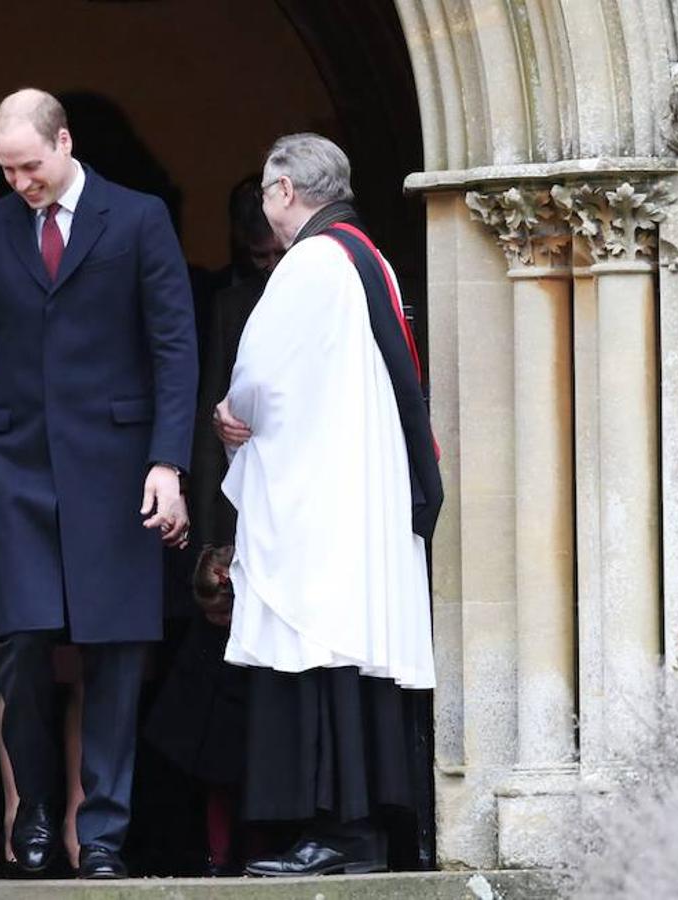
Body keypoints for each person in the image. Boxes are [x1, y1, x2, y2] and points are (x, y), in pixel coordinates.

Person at [0, 88, 197, 879]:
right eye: (7, 170)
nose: (21, 183)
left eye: (31, 166)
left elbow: (173, 348)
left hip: (118, 470)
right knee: (21, 648)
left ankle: (107, 835)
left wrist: (166, 463)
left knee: (115, 656)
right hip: (17, 469)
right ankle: (36, 813)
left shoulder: (140, 218)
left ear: (64, 143)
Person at [213, 133, 442, 876]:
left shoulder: (310, 262)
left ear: (282, 191)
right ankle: (359, 834)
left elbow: (257, 380)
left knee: (319, 645)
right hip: (358, 489)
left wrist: (226, 417)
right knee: (352, 653)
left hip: (323, 496)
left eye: (266, 194)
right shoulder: (363, 253)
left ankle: (337, 834)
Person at [143, 176, 283, 876]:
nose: (267, 267)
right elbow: (207, 411)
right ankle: (221, 847)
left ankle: (271, 839)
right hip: (232, 523)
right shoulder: (223, 303)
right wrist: (206, 543)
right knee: (216, 704)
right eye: (255, 256)